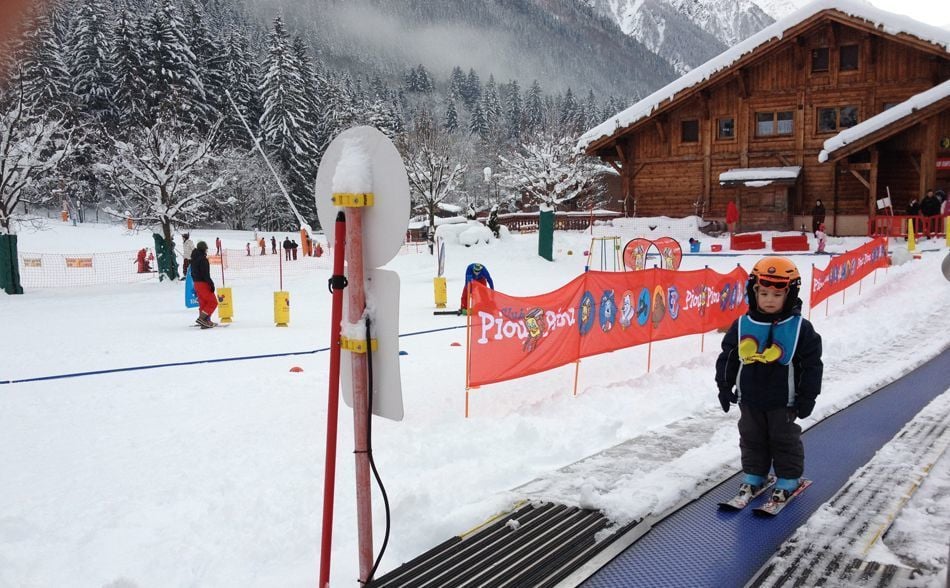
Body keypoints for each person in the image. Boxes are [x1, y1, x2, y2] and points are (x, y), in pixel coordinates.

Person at [715, 256, 823, 504]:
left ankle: (788, 476)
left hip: (783, 400)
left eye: (776, 295)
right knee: (751, 437)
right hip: (750, 398)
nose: (769, 300)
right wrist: (724, 385)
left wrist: (808, 397)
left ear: (789, 294)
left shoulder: (800, 328)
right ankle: (755, 473)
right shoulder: (743, 324)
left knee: (783, 438)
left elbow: (812, 365)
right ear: (754, 293)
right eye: (763, 294)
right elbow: (729, 357)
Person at [190, 241, 218, 328]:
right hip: (203, 283)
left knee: (204, 303)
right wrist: (211, 284)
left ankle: (206, 321)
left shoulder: (193, 259)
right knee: (213, 302)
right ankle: (202, 319)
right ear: (204, 249)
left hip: (196, 283)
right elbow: (205, 274)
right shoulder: (203, 259)